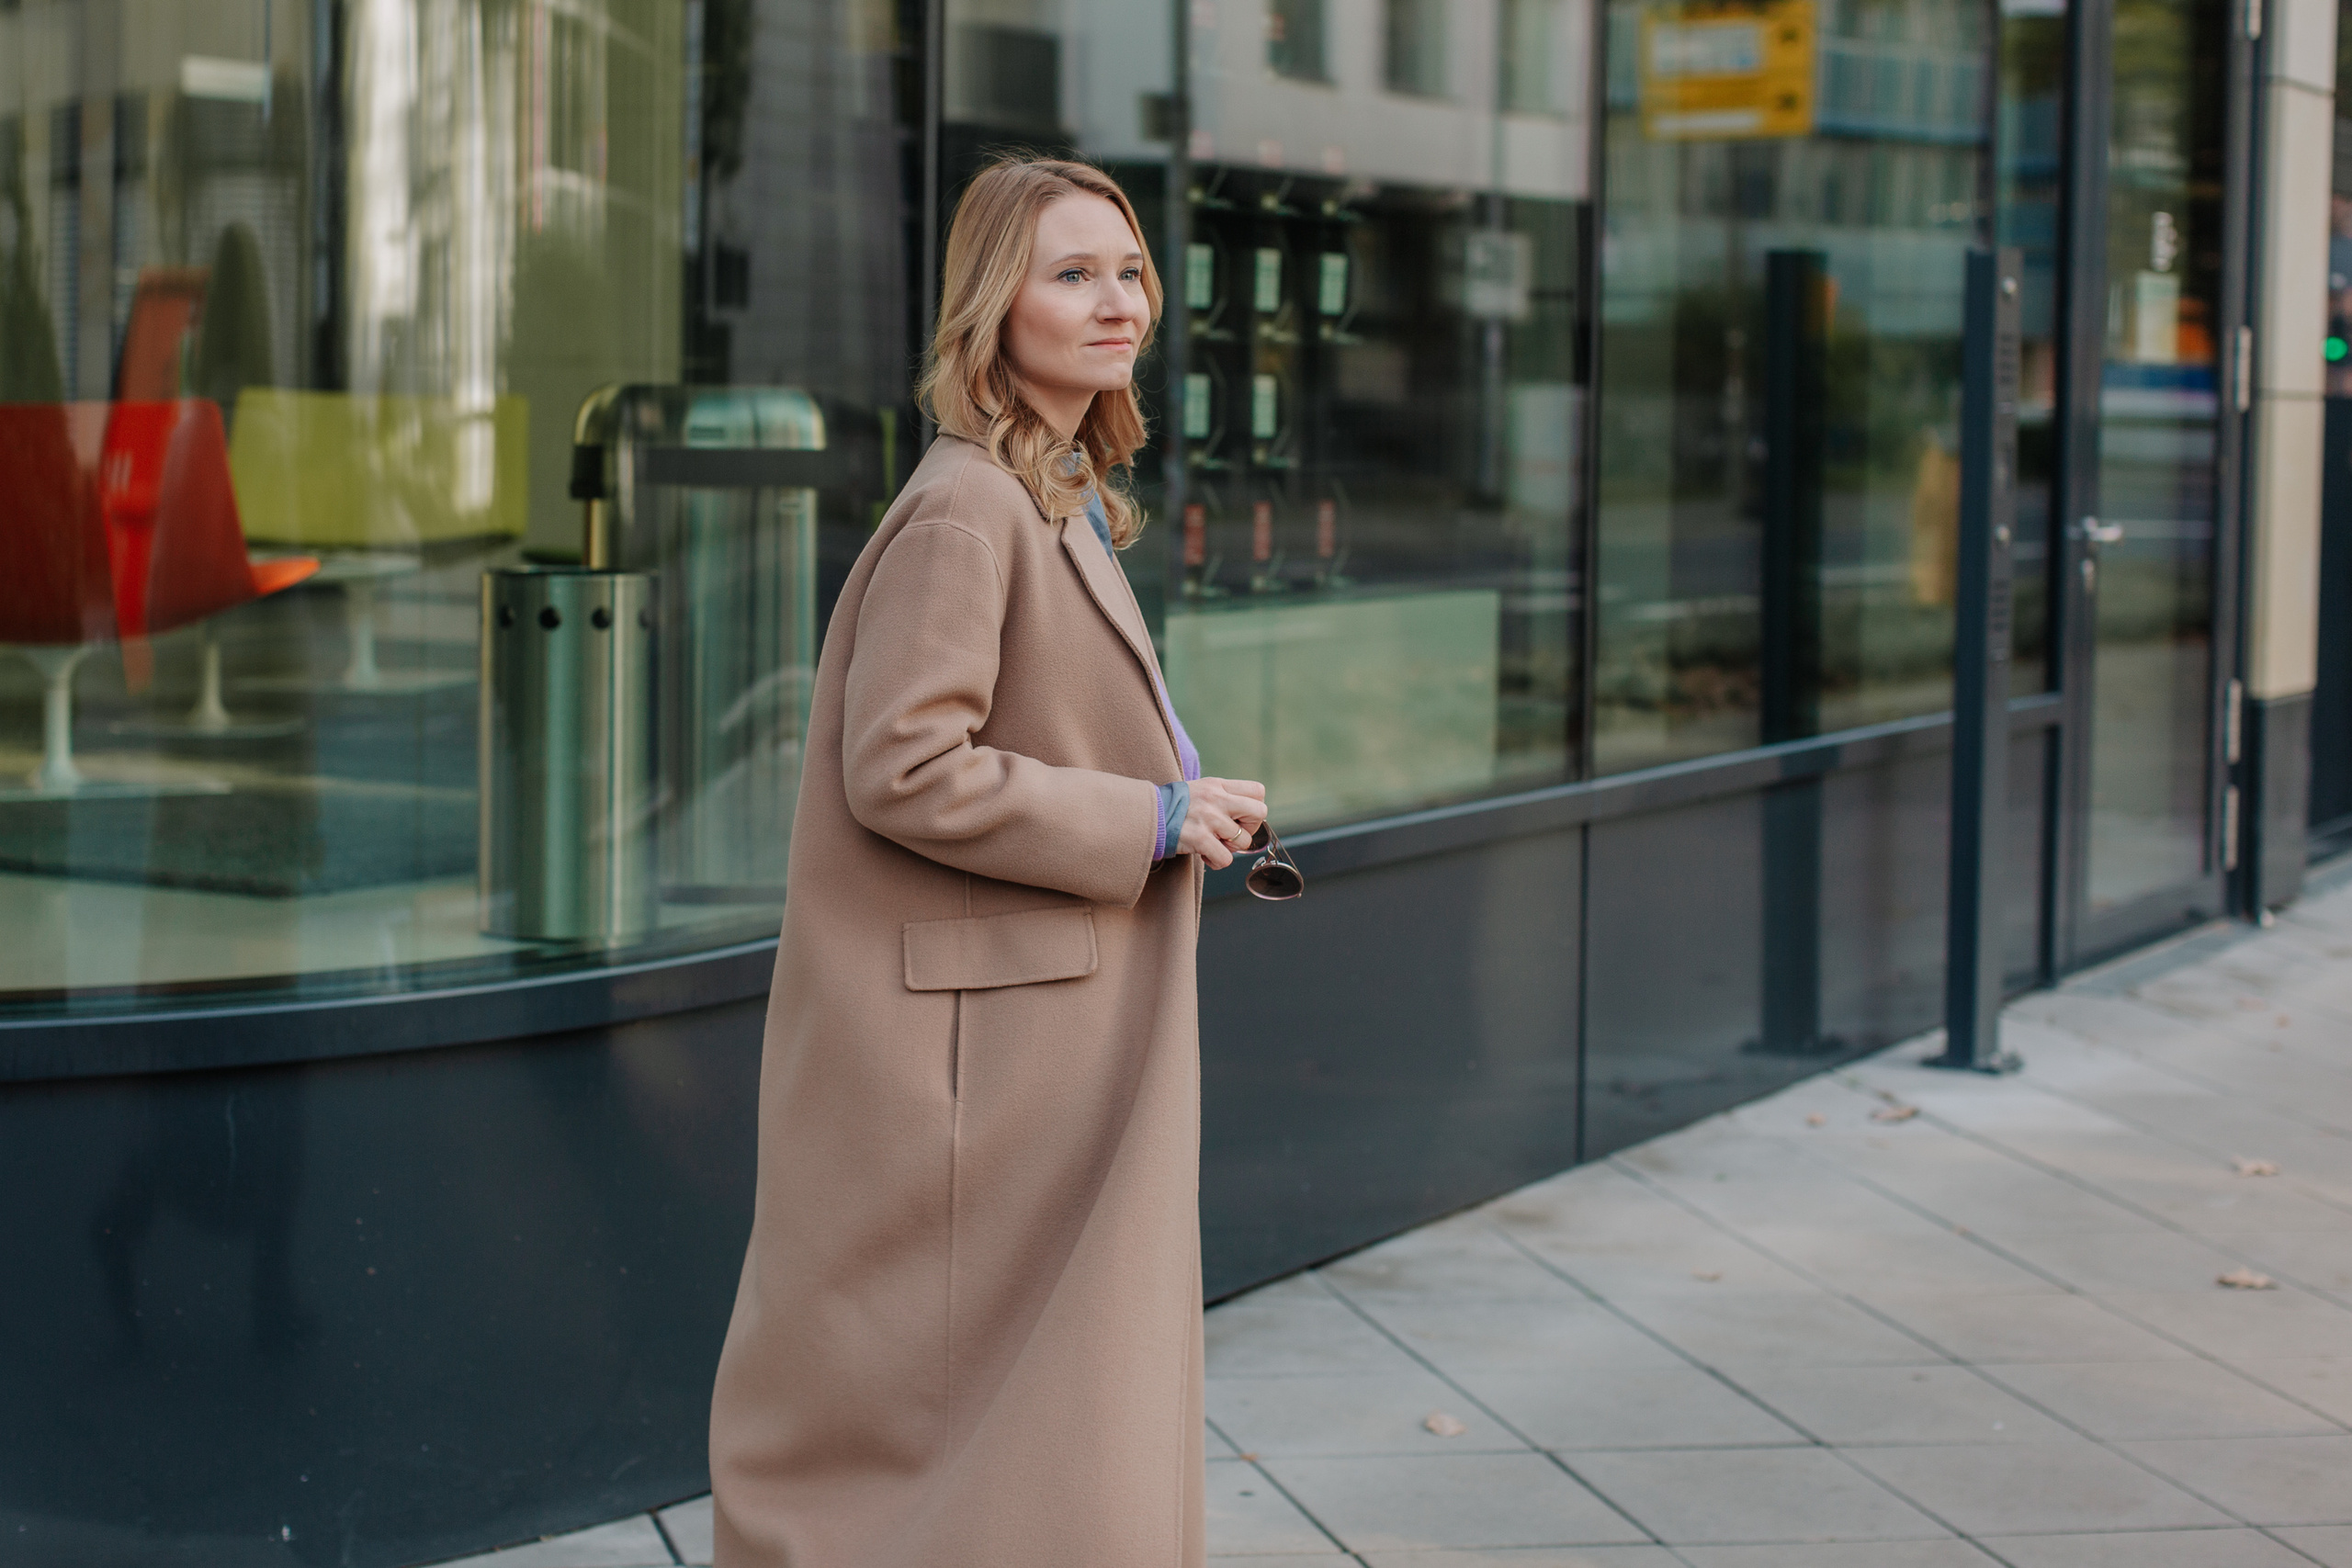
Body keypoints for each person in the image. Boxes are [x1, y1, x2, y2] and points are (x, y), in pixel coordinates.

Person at [707, 156, 1269, 1567]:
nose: (1117, 302)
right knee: (972, 1414)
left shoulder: (1050, 488)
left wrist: (1183, 792)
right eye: (1072, 275)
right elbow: (902, 764)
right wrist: (1146, 820)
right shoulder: (970, 507)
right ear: (993, 302)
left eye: (1129, 272)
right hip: (988, 1058)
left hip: (1037, 1033)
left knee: (1054, 1410)